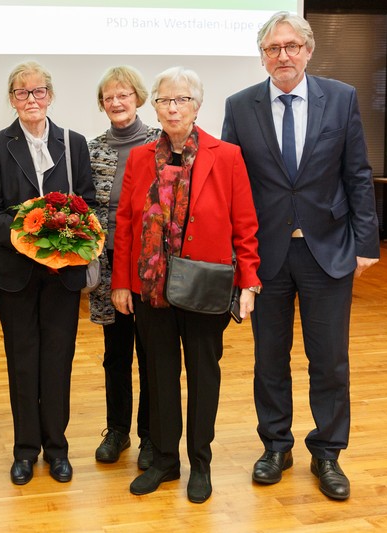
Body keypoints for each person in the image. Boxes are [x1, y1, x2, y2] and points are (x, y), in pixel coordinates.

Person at [221, 12, 379, 501]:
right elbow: (230, 184)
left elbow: (357, 172)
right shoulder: (240, 105)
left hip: (327, 250)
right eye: (272, 48)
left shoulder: (342, 98)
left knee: (329, 361)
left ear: (309, 50)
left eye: (291, 46)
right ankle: (275, 445)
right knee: (270, 358)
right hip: (265, 254)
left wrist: (367, 243)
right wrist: (233, 253)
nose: (282, 56)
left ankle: (328, 452)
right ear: (262, 55)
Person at [112, 67, 260, 503]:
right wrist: (122, 282)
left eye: (181, 100)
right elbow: (125, 224)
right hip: (151, 289)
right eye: (163, 100)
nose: (172, 108)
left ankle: (200, 461)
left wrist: (248, 281)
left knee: (203, 375)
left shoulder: (227, 155)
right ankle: (163, 460)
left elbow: (245, 225)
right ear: (153, 106)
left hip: (204, 287)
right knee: (158, 377)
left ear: (197, 106)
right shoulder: (140, 158)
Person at [0, 61, 95, 485]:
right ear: (12, 99)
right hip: (16, 274)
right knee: (23, 362)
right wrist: (24, 239)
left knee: (58, 360)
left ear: (51, 95)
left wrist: (71, 238)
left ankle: (57, 449)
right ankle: (25, 450)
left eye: (39, 91)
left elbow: (90, 206)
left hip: (63, 276)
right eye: (23, 93)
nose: (32, 99)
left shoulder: (73, 142)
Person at [88, 66, 161, 469]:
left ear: (138, 97)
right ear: (102, 104)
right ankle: (117, 431)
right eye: (108, 97)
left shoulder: (160, 144)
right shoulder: (91, 148)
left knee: (152, 353)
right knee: (116, 354)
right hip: (108, 265)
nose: (116, 103)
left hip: (151, 268)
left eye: (123, 95)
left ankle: (150, 436)